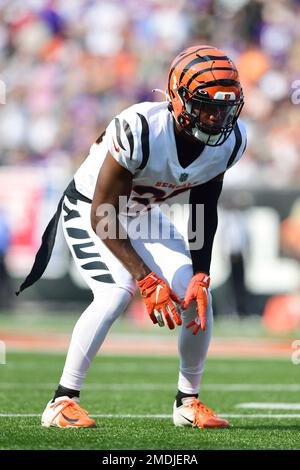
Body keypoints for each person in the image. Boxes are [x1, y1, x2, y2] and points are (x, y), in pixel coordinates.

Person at [17, 45, 247, 429]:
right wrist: (145, 277)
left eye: (224, 107)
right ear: (177, 98)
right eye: (206, 105)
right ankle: (61, 401)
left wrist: (201, 273)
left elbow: (204, 207)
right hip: (92, 206)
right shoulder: (141, 127)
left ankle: (187, 402)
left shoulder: (230, 142)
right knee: (115, 292)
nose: (215, 116)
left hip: (141, 214)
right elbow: (103, 213)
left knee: (195, 294)